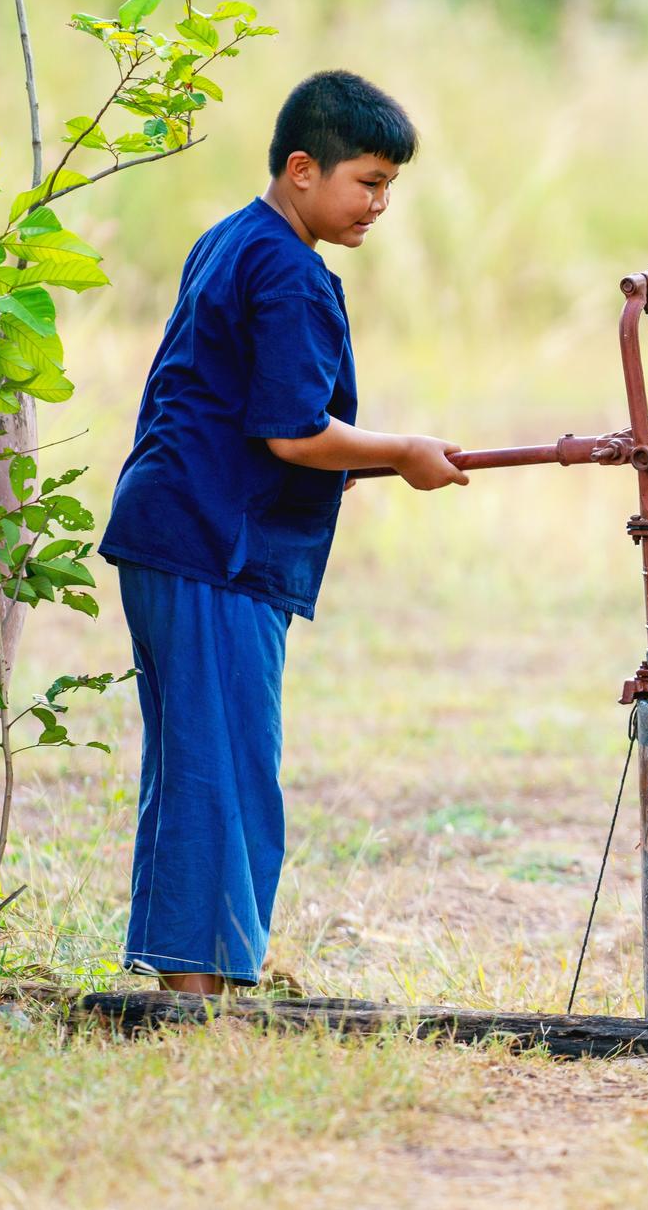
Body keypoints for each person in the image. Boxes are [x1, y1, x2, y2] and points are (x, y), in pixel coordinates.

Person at [98, 71, 468, 995]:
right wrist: (404, 452)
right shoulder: (291, 275)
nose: (380, 205)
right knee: (226, 769)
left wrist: (392, 456)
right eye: (368, 182)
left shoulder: (234, 238)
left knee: (197, 757)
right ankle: (200, 990)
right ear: (303, 169)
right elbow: (293, 433)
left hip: (168, 533)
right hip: (211, 548)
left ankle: (198, 973)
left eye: (390, 187)